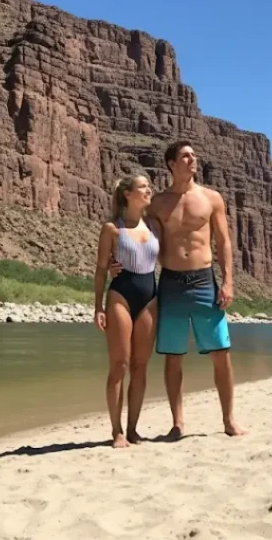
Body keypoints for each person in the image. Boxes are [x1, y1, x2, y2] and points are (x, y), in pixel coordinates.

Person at [111, 141, 245, 439]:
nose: (192, 159)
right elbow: (135, 234)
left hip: (203, 282)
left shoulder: (211, 199)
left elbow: (223, 242)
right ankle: (178, 423)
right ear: (171, 163)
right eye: (185, 156)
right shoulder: (157, 203)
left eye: (194, 155)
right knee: (174, 355)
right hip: (170, 282)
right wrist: (113, 260)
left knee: (221, 353)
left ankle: (228, 420)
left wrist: (228, 282)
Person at [92, 173, 160, 448]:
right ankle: (116, 431)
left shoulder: (155, 225)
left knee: (140, 366)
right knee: (119, 364)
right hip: (121, 295)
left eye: (149, 186)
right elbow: (99, 270)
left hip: (150, 298)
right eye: (143, 186)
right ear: (127, 195)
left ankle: (133, 429)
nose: (149, 190)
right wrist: (98, 306)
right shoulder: (112, 228)